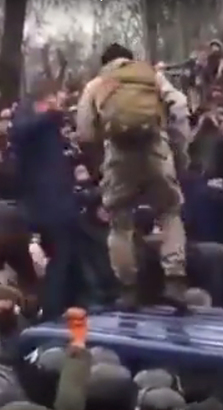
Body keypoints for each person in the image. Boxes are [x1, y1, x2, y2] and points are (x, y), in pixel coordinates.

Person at [76, 43, 189, 310]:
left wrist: (99, 159)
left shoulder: (98, 84)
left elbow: (85, 132)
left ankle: (128, 289)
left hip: (119, 155)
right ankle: (174, 280)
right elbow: (180, 107)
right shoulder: (150, 76)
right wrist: (179, 151)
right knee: (169, 212)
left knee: (120, 222)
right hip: (156, 150)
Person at [9, 79, 82, 320]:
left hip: (55, 203)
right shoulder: (32, 120)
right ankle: (50, 312)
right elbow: (22, 133)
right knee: (59, 259)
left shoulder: (48, 125)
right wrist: (49, 114)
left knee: (64, 259)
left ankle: (61, 307)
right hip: (47, 206)